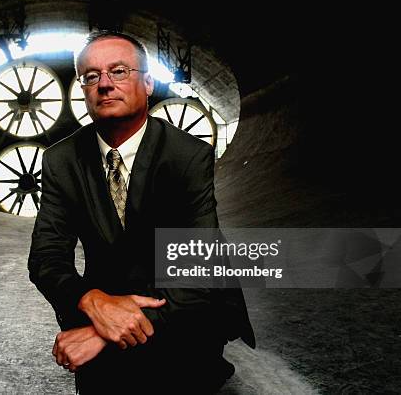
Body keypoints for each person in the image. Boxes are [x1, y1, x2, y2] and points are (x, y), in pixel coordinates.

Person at [28, 30, 254, 393]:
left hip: (187, 309)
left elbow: (197, 274)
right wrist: (92, 301)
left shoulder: (187, 156)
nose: (105, 84)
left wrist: (104, 332)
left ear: (147, 83)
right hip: (107, 298)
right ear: (83, 90)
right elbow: (46, 257)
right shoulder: (61, 160)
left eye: (119, 71)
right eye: (91, 76)